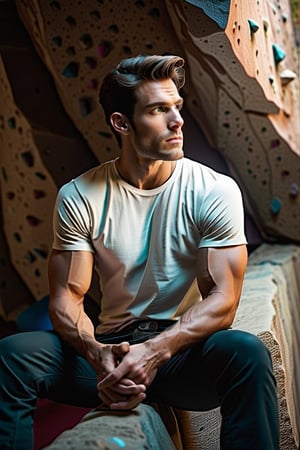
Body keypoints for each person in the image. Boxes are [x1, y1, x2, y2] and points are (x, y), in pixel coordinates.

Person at [0, 54, 279, 450]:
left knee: (247, 353)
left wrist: (155, 351)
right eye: (158, 110)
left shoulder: (214, 189)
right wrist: (97, 354)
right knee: (12, 357)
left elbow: (223, 301)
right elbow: (67, 299)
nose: (177, 121)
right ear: (121, 123)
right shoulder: (80, 196)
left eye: (176, 107)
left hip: (182, 353)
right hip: (112, 350)